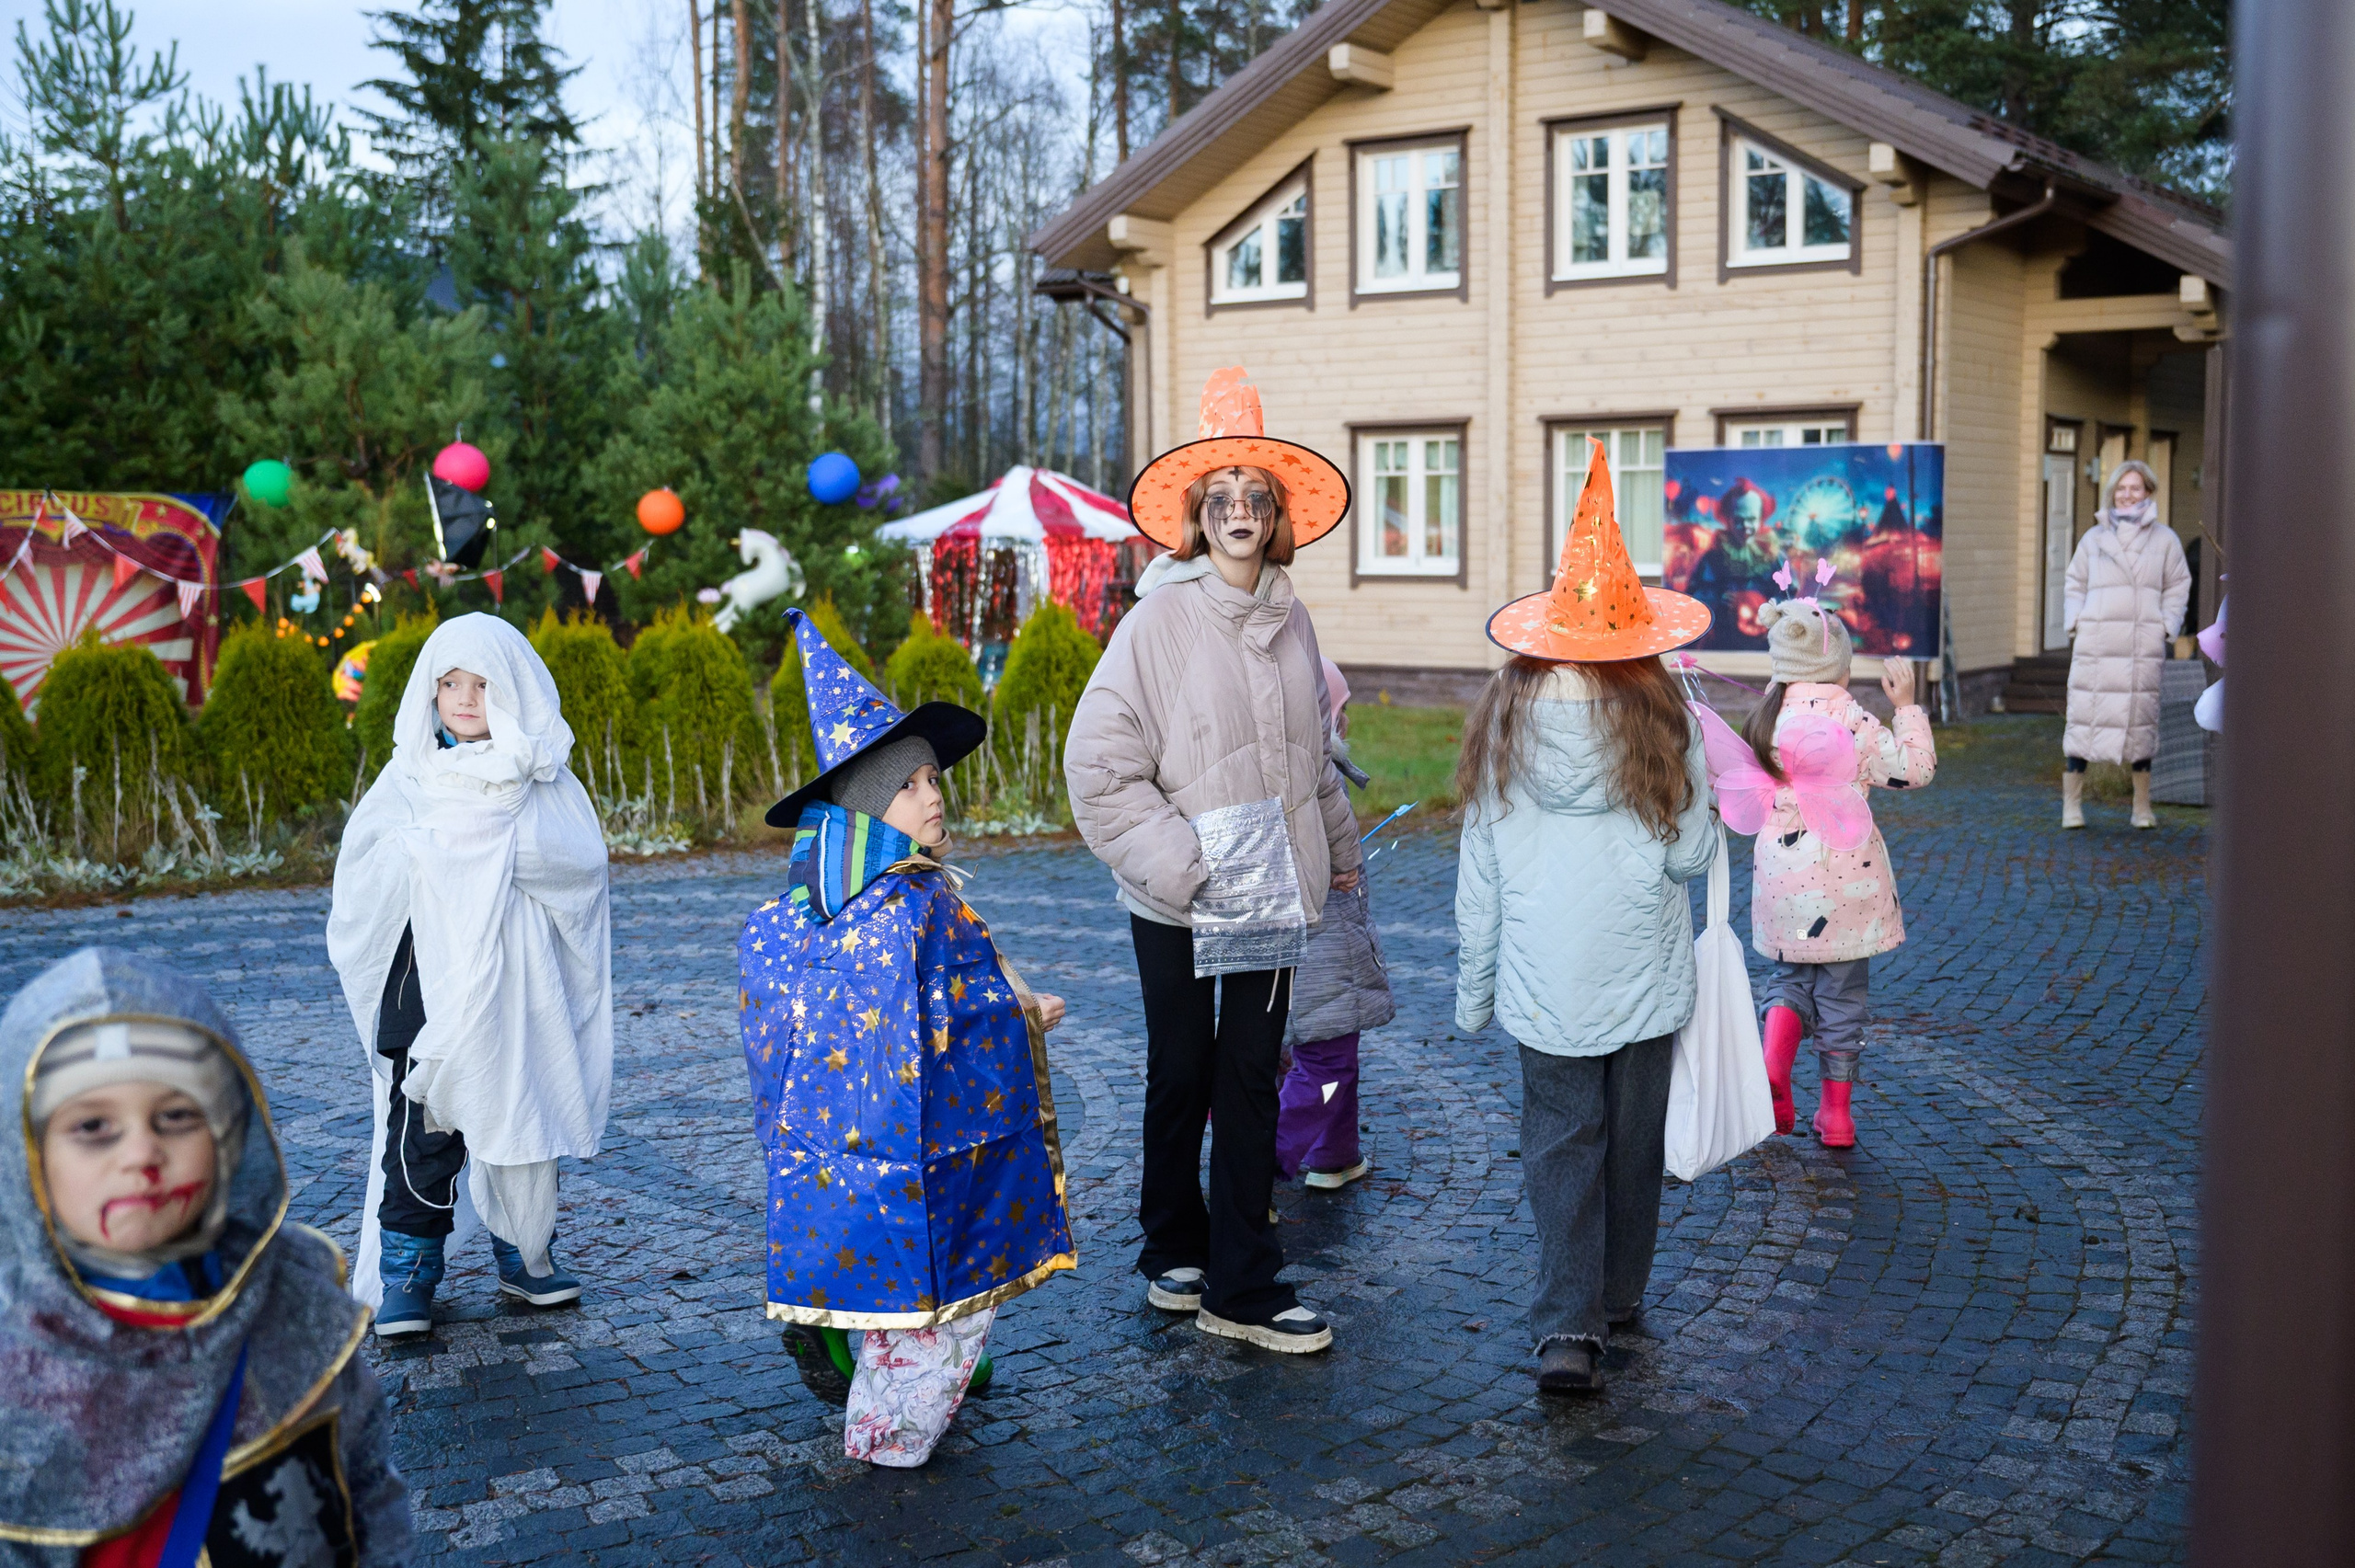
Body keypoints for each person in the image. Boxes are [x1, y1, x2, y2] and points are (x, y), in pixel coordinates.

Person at [1065, 366, 1362, 1354]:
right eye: (1222, 494)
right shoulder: (1156, 620)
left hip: (1269, 884)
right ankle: (1170, 1240)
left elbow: (1311, 752)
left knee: (1249, 1074)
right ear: (1196, 515)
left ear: (1277, 518)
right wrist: (1184, 863)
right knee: (1182, 1068)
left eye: (1257, 495)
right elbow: (1098, 766)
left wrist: (1340, 852)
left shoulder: (1293, 618)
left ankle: (1242, 1282)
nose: (1240, 509)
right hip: (1179, 891)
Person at [743, 608, 1075, 1468]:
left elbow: (912, 1003)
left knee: (887, 1256)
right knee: (941, 1257)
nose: (934, 795)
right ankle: (889, 1434)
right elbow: (925, 1020)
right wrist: (1017, 1015)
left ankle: (858, 1335)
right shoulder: (905, 907)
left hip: (838, 1145)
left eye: (933, 778)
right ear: (869, 808)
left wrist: (1007, 1002)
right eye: (911, 785)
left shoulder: (820, 903)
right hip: (918, 1136)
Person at [1, 947, 411, 1565]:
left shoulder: (295, 1303)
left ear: (227, 1135)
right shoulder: (14, 1359)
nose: (142, 1154)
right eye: (92, 1127)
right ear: (26, 1153)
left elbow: (368, 1486)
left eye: (175, 1115)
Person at [1453, 438, 1717, 1396]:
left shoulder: (1503, 721)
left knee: (1561, 1145)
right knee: (1632, 1145)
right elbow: (1689, 855)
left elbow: (1480, 871)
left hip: (1542, 982)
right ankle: (1617, 1295)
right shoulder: (1664, 721)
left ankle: (1567, 1329)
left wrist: (1475, 990)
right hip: (1642, 979)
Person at [327, 613, 612, 1337]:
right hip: (424, 981)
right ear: (429, 690)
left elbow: (580, 864)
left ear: (513, 689)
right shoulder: (411, 777)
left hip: (519, 983)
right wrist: (432, 849)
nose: (464, 697)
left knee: (522, 1110)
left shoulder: (541, 777)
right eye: (449, 682)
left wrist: (481, 846)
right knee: (423, 1122)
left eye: (482, 684)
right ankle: (409, 1270)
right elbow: (366, 866)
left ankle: (525, 1251)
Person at [1740, 593, 1936, 1148]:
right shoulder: (1853, 721)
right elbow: (1915, 769)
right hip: (1846, 885)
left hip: (1785, 886)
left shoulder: (1765, 721)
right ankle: (1837, 1116)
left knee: (1790, 979)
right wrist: (1907, 707)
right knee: (1843, 996)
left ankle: (1774, 1062)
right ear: (1840, 668)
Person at [1274, 658, 1395, 1192]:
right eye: (1341, 712)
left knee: (1332, 1054)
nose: (1348, 723)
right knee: (1325, 1067)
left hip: (1297, 959)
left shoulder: (1281, 772)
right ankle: (1265, 1160)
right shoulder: (1316, 783)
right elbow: (1336, 860)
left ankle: (1336, 1155)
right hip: (1323, 956)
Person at [2061, 460, 2191, 829]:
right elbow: (2074, 583)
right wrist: (2076, 621)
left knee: (2141, 724)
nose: (2127, 494)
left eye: (2135, 488)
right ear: (2112, 492)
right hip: (2096, 645)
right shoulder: (2094, 538)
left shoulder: (2165, 540)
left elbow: (2178, 584)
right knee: (2084, 721)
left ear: (2148, 491)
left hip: (2140, 645)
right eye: (2121, 488)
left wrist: (2165, 625)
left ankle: (2141, 807)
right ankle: (2072, 806)